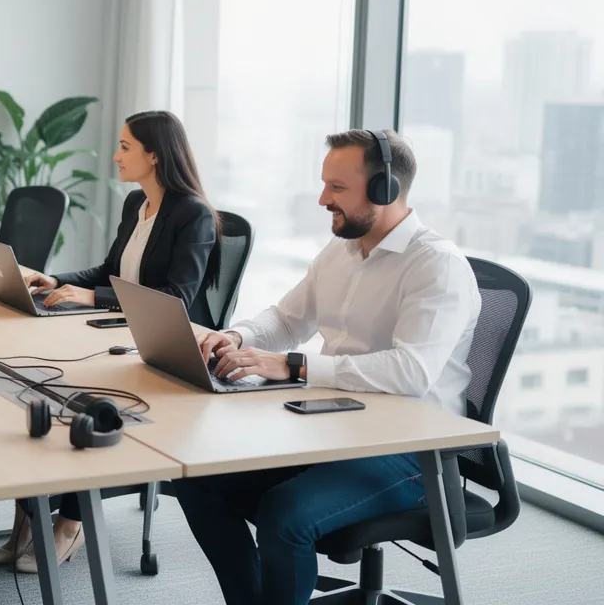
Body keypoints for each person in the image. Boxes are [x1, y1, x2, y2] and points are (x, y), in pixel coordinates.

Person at [178, 129, 480, 605]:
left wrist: (295, 368)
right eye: (325, 184)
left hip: (412, 453)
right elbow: (285, 319)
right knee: (199, 482)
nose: (322, 199)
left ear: (386, 190)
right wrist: (236, 336)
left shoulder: (435, 266)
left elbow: (411, 372)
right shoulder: (340, 251)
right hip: (333, 425)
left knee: (286, 513)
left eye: (337, 188)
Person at [0, 110, 222, 573]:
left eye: (125, 147)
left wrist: (95, 296)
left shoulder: (192, 214)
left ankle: (71, 522)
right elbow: (108, 272)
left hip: (167, 351)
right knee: (37, 387)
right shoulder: (136, 204)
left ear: (154, 155)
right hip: (118, 337)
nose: (115, 155)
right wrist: (54, 278)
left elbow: (176, 297)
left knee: (88, 403)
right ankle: (29, 513)